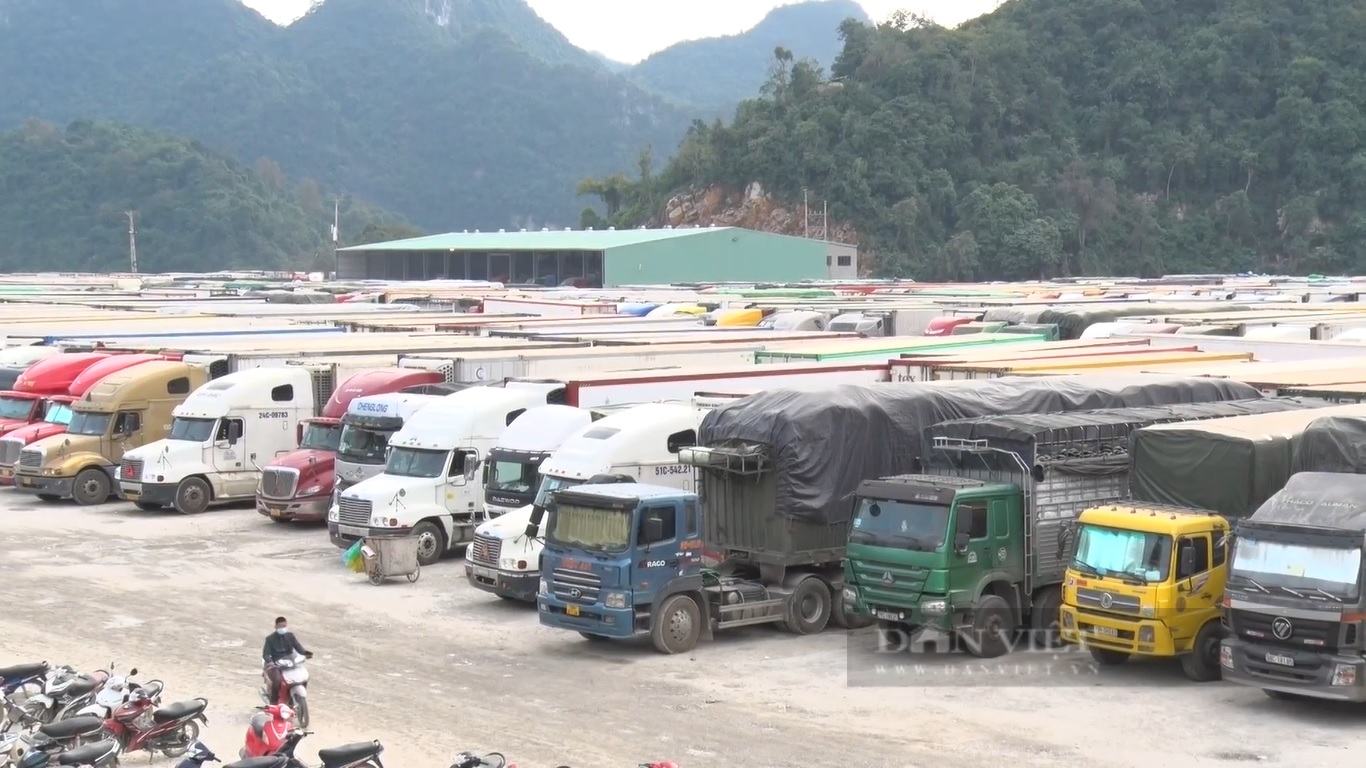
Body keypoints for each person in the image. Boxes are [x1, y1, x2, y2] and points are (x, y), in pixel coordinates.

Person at [262, 616, 312, 704]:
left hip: (290, 662)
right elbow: (266, 654)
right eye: (280, 627)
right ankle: (273, 702)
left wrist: (305, 653)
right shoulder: (270, 639)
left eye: (284, 626)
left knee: (304, 677)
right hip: (276, 664)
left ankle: (297, 697)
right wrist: (270, 662)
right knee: (277, 680)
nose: (283, 628)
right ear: (276, 627)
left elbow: (298, 647)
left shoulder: (290, 636)